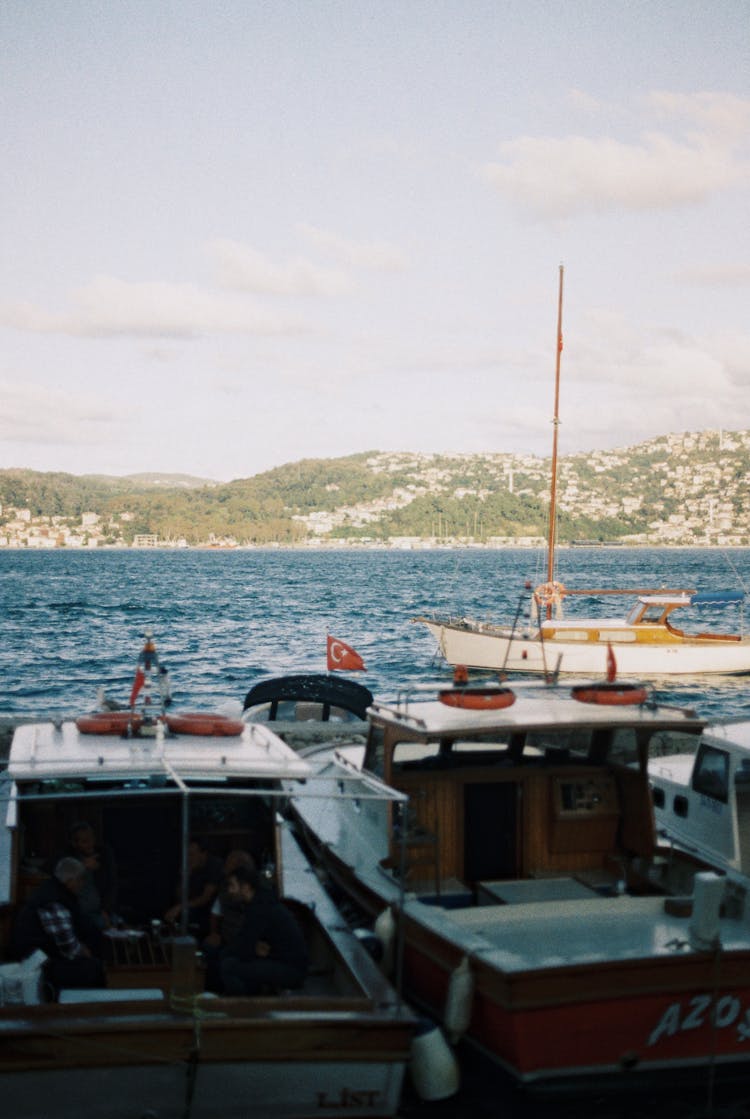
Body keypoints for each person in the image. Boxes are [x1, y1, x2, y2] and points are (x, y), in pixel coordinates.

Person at [12, 857, 105, 995]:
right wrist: (84, 952)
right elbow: (68, 947)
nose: (82, 884)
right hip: (37, 965)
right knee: (92, 968)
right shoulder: (53, 901)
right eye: (80, 880)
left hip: (46, 956)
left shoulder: (54, 891)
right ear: (70, 881)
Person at [218, 865, 308, 996]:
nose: (230, 890)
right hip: (279, 960)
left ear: (246, 887)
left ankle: (242, 1007)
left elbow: (244, 947)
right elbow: (246, 943)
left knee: (229, 966)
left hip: (291, 970)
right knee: (235, 961)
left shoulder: (259, 908)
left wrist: (225, 954)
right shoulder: (260, 902)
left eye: (232, 885)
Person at [164, 838, 223, 939]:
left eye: (192, 854)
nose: (188, 858)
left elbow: (206, 898)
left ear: (203, 854)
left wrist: (180, 907)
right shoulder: (189, 866)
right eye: (187, 854)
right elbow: (179, 896)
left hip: (211, 910)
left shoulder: (214, 866)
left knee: (186, 913)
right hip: (191, 906)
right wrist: (184, 877)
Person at [66, 820, 118, 929]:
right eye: (85, 841)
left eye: (92, 839)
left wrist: (106, 910)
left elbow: (112, 884)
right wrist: (82, 866)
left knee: (120, 924)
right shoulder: (69, 858)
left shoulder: (104, 854)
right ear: (74, 843)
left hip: (102, 910)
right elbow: (51, 868)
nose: (91, 844)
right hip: (80, 914)